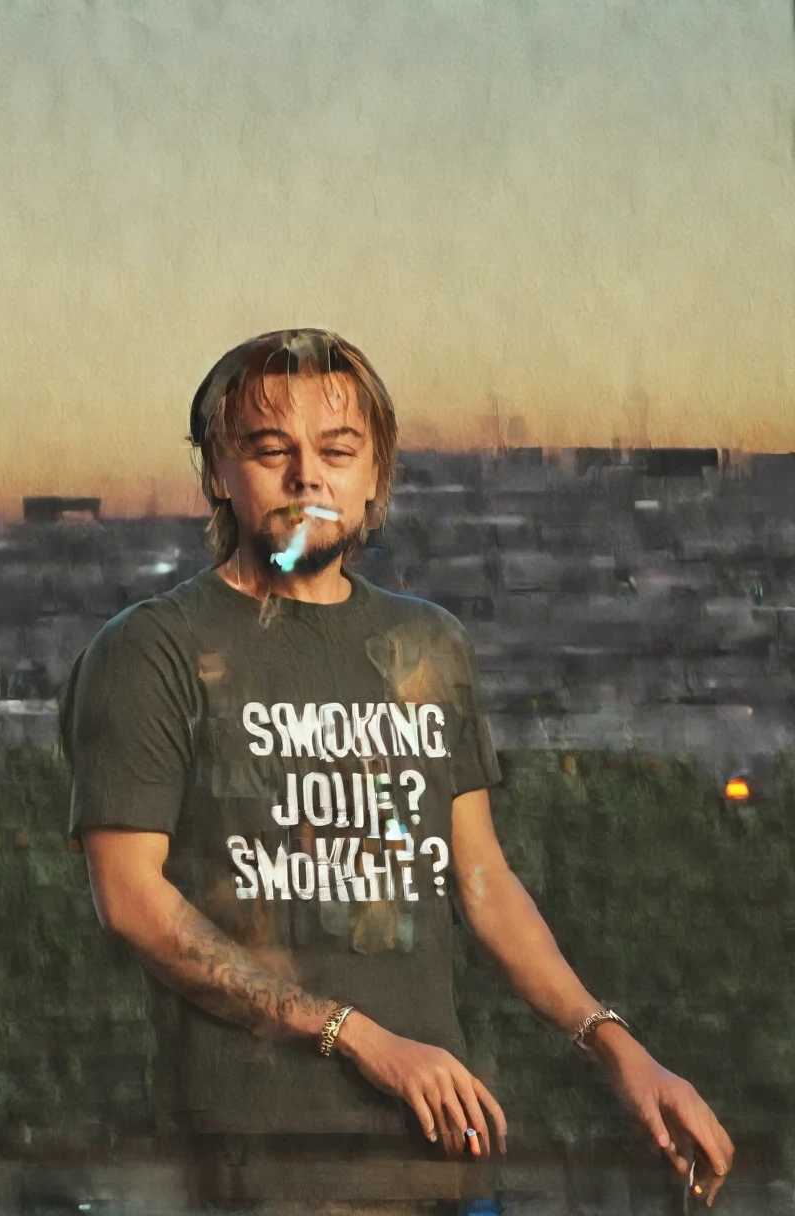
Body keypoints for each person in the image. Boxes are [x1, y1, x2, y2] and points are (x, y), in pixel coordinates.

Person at [60, 328, 734, 1213]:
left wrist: (621, 1051)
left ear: (376, 476)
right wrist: (359, 1037)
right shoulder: (153, 649)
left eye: (338, 451)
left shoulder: (428, 646)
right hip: (265, 1166)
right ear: (217, 472)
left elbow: (483, 881)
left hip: (443, 1156)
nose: (309, 476)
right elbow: (133, 902)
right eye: (271, 449)